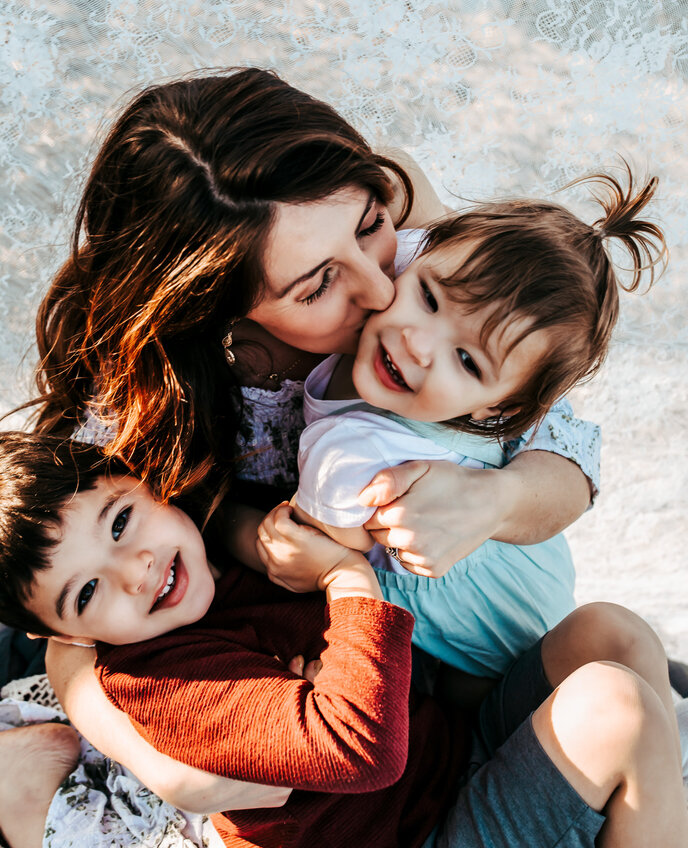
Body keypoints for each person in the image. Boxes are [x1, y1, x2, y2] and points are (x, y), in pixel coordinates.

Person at [32, 68, 602, 802]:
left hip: (455, 611)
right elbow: (63, 611)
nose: (382, 288)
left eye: (370, 229)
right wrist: (152, 762)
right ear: (212, 309)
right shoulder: (130, 396)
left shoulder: (397, 217)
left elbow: (563, 433)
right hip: (302, 640)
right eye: (316, 286)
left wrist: (494, 499)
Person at [0, 431, 686, 848]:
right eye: (89, 592)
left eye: (123, 522)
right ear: (61, 633)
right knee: (613, 708)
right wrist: (346, 581)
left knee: (606, 633)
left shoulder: (211, 552)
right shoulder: (166, 681)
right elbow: (361, 748)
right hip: (410, 836)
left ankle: (662, 811)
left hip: (448, 766)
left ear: (144, 481)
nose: (137, 571)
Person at [284, 167, 665, 680]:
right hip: (529, 602)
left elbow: (302, 541)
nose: (418, 345)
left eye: (466, 362)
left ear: (500, 411)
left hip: (496, 646)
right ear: (415, 255)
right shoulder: (402, 248)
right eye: (428, 298)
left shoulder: (353, 457)